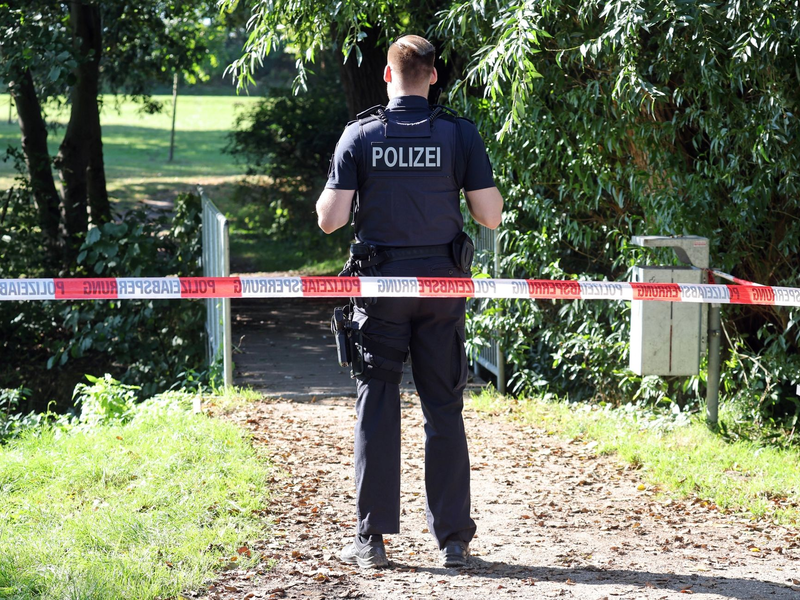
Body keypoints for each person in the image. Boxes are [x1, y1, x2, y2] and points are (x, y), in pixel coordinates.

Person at [316, 34, 503, 569]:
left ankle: (372, 540)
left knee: (377, 402)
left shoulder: (361, 135)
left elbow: (330, 220)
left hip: (379, 290)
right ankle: (453, 542)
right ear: (434, 77)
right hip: (442, 288)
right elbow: (489, 216)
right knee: (443, 408)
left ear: (386, 76)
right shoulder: (459, 135)